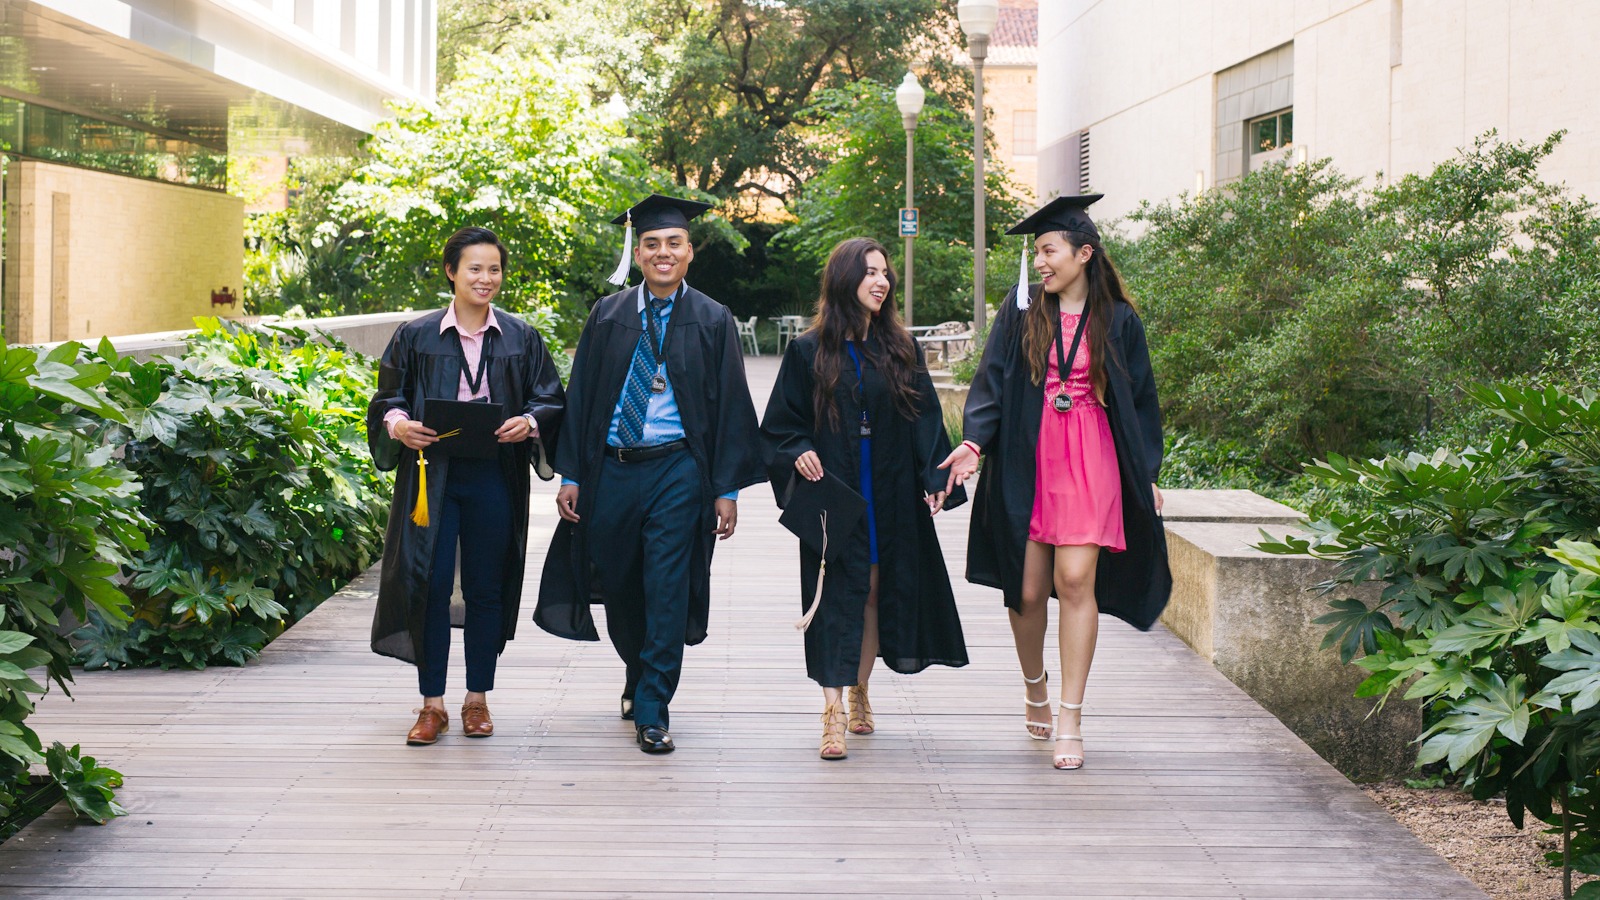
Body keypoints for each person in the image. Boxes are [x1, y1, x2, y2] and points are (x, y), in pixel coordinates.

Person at [939, 195, 1170, 770]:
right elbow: (990, 382)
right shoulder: (1021, 312)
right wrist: (973, 443)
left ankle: (1071, 717)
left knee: (1074, 580)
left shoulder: (1118, 319)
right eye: (1037, 252)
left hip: (1092, 457)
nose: (1040, 262)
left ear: (1083, 253)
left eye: (1050, 250)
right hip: (1028, 453)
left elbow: (1141, 402)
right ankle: (1034, 684)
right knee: (1024, 587)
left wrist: (1145, 474)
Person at [535, 194, 764, 754]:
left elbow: (732, 403)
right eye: (652, 244)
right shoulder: (608, 316)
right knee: (620, 584)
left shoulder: (712, 320)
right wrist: (570, 474)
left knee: (666, 584)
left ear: (690, 253)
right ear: (637, 253)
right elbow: (582, 396)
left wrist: (725, 490)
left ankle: (655, 705)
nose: (664, 253)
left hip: (679, 468)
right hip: (612, 467)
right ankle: (638, 672)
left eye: (674, 244)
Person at [761, 238, 968, 760]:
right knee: (834, 595)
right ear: (844, 279)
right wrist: (799, 451)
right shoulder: (808, 350)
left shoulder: (900, 347)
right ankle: (830, 711)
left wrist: (936, 478)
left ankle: (860, 688)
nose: (882, 282)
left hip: (890, 487)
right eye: (870, 272)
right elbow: (781, 425)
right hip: (835, 492)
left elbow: (924, 420)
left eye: (885, 273)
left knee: (875, 592)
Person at [366, 226, 566, 745]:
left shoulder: (522, 338)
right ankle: (431, 704)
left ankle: (477, 699)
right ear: (452, 272)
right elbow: (387, 400)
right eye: (474, 268)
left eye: (494, 269)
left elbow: (551, 398)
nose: (485, 278)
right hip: (431, 476)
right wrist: (399, 426)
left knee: (485, 587)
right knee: (428, 584)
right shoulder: (416, 335)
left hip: (494, 475)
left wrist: (532, 422)